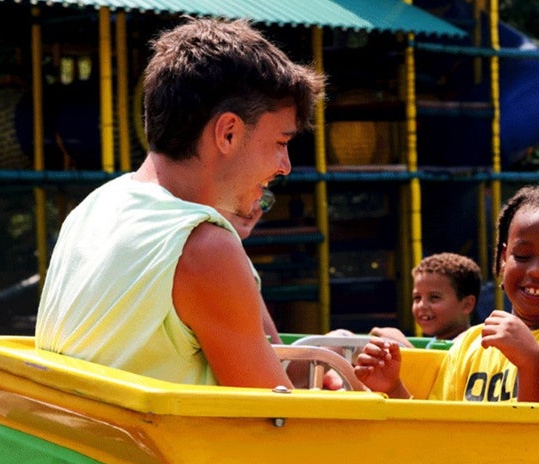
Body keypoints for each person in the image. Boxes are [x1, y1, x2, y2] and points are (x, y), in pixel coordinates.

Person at [35, 18, 325, 389]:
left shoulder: (91, 210)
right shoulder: (204, 247)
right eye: (281, 143)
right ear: (228, 133)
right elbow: (276, 417)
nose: (285, 166)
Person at [354, 175, 539, 403]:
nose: (536, 271)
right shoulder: (471, 343)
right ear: (504, 258)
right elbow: (439, 432)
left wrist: (531, 362)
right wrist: (393, 388)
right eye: (522, 256)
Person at [362, 252, 482, 343]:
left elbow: (438, 368)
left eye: (434, 297)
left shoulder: (473, 346)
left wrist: (402, 346)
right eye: (417, 298)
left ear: (467, 305)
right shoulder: (431, 344)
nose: (421, 305)